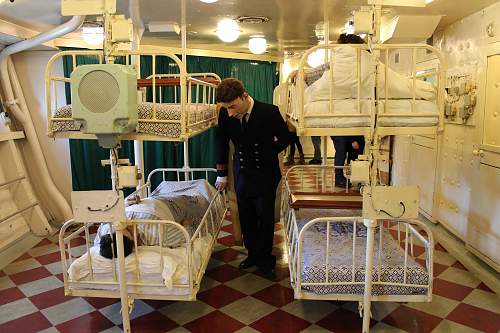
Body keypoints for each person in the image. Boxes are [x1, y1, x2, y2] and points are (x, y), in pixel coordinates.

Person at [214, 78, 290, 279]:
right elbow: (221, 141)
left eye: (233, 106)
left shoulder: (269, 112)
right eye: (226, 108)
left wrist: (269, 151)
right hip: (242, 172)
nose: (230, 112)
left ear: (244, 96)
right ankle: (252, 255)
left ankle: (266, 259)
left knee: (264, 218)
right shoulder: (225, 113)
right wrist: (221, 173)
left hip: (265, 172)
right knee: (246, 216)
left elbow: (285, 138)